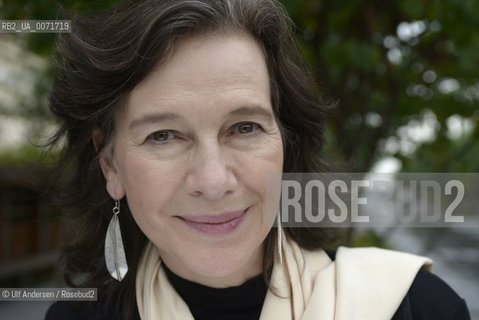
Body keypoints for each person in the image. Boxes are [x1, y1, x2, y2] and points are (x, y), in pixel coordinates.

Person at [44, 0, 471, 319]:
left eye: (244, 127)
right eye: (163, 135)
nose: (213, 181)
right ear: (110, 166)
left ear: (286, 144)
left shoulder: (418, 306)